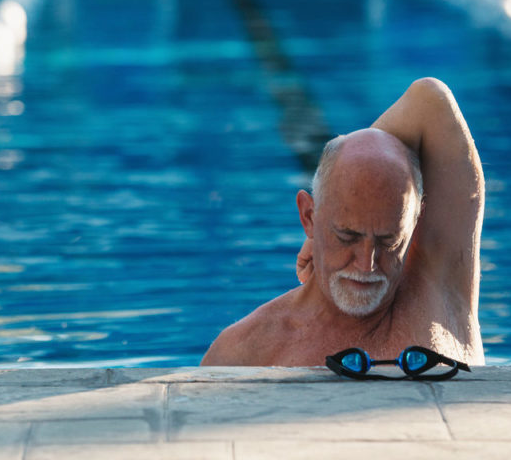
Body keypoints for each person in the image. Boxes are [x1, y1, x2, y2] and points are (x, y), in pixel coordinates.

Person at [201, 77, 485, 366]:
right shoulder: (246, 352)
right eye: (348, 236)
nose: (367, 264)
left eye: (388, 240)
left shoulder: (438, 284)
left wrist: (347, 208)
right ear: (308, 217)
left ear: (415, 219)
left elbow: (430, 100)